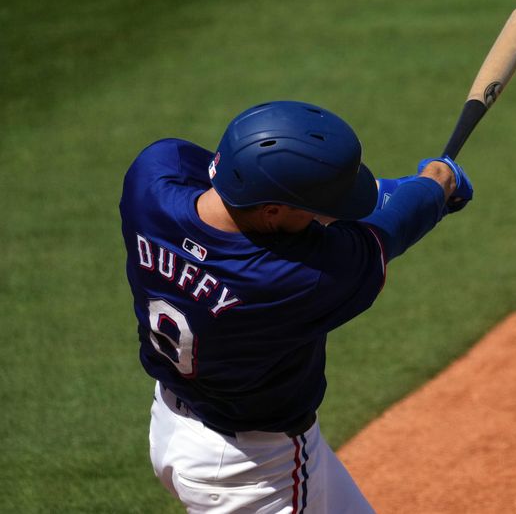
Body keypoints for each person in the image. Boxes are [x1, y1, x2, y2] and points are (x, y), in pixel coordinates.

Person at [119, 100, 472, 513]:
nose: (324, 219)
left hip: (173, 418)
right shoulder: (295, 278)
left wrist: (411, 190)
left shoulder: (153, 177)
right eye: (315, 212)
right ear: (271, 211)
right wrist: (435, 184)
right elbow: (389, 231)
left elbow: (246, 185)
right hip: (252, 473)